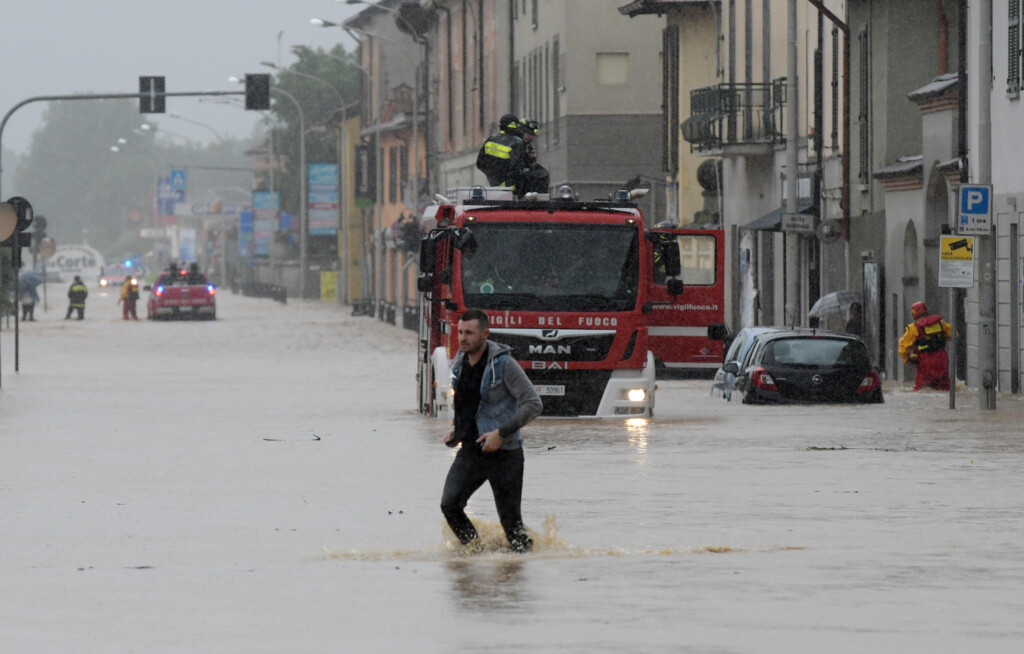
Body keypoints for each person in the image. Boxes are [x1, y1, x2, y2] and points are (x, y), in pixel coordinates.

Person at [440, 309, 543, 553]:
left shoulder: (504, 364)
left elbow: (533, 403)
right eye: (460, 332)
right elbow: (470, 404)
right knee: (450, 505)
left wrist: (501, 432)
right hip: (471, 452)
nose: (463, 338)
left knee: (512, 527)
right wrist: (457, 430)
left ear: (485, 334)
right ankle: (475, 554)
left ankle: (522, 570)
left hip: (505, 454)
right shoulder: (460, 362)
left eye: (469, 333)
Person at [898, 301, 952, 391]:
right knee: (944, 387)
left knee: (922, 389)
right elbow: (953, 334)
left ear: (914, 314)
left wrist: (907, 360)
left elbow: (903, 347)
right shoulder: (941, 324)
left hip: (924, 362)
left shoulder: (914, 328)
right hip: (942, 359)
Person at [476, 114, 527, 192]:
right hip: (511, 191)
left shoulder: (490, 140)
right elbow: (517, 167)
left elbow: (480, 163)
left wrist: (493, 177)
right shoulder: (517, 143)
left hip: (494, 188)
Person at [518, 117, 551, 195]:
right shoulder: (515, 144)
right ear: (521, 131)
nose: (530, 137)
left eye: (532, 135)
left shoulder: (525, 145)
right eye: (528, 133)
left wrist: (530, 160)